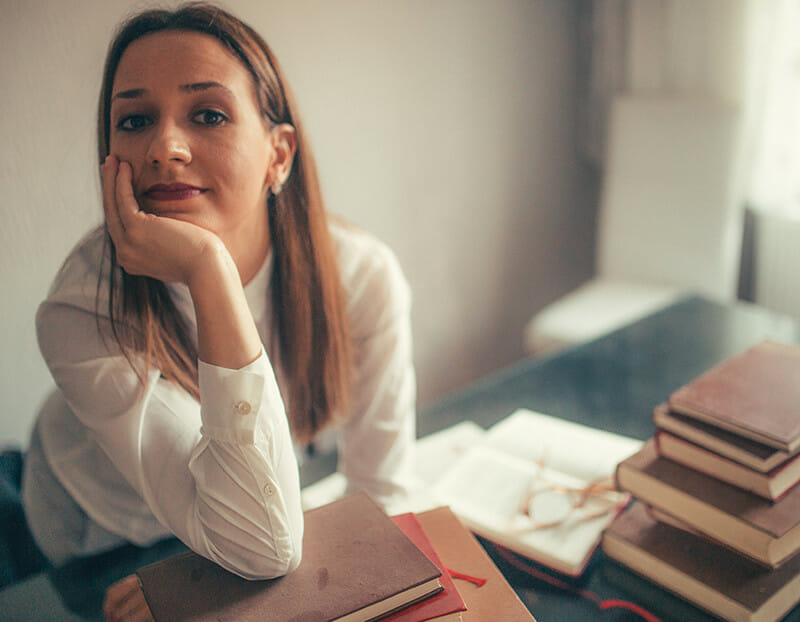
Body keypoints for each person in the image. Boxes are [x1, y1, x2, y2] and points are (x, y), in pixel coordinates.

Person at [21, 2, 416, 619]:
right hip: (100, 539)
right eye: (135, 120)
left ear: (278, 155)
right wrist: (210, 269)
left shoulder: (362, 278)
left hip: (240, 518)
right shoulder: (82, 311)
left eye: (207, 114)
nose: (164, 147)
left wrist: (201, 589)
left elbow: (383, 502)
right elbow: (265, 546)